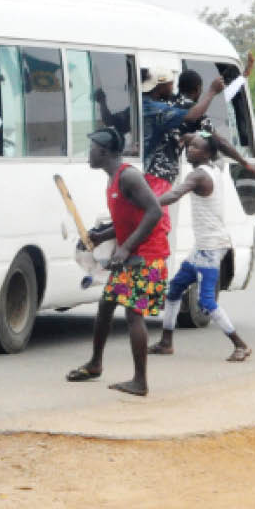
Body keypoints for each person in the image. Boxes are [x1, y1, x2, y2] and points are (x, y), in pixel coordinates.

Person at [66, 127, 169, 396]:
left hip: (146, 257)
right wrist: (101, 235)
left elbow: (154, 211)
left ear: (104, 151)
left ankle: (140, 381)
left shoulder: (129, 176)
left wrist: (125, 248)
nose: (88, 154)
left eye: (91, 149)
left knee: (133, 314)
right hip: (133, 255)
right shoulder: (113, 179)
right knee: (106, 304)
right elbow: (129, 219)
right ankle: (95, 364)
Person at [150, 131, 254, 360]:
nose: (190, 150)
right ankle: (166, 341)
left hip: (210, 246)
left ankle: (240, 345)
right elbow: (222, 142)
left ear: (207, 153)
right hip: (204, 246)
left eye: (196, 147)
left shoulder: (198, 175)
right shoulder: (215, 165)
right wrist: (243, 161)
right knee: (175, 289)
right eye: (190, 146)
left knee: (206, 300)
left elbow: (175, 193)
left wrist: (148, 202)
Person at [141, 67, 226, 233]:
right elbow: (210, 134)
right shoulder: (183, 109)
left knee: (157, 222)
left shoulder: (166, 102)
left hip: (152, 171)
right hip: (160, 173)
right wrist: (244, 161)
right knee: (158, 223)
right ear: (197, 90)